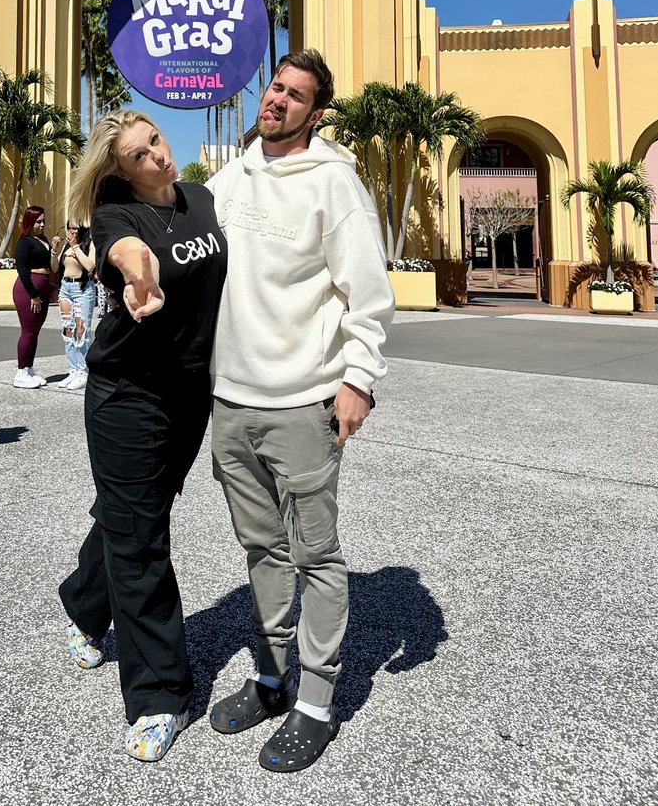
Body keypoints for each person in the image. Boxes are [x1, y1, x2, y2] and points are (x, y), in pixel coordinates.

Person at [206, 49, 391, 774]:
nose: (278, 100)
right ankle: (276, 675)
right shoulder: (233, 174)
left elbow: (367, 297)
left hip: (303, 402)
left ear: (317, 112)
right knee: (262, 550)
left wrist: (358, 380)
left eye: (296, 95)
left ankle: (316, 703)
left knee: (315, 554)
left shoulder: (335, 184)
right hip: (231, 401)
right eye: (276, 87)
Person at [57, 109, 226, 764]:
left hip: (189, 394)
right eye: (137, 154)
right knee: (142, 538)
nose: (156, 155)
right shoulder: (115, 219)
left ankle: (82, 601)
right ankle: (160, 694)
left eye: (154, 140)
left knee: (132, 515)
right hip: (127, 394)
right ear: (119, 172)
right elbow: (125, 254)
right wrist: (139, 274)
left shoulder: (205, 199)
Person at [12, 206, 59, 389]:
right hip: (28, 289)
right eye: (38, 221)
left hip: (44, 287)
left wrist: (54, 249)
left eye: (43, 221)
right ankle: (21, 371)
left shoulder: (43, 240)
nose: (41, 225)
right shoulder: (24, 242)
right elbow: (22, 271)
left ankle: (29, 369)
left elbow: (51, 266)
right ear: (29, 222)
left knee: (36, 331)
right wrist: (33, 294)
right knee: (28, 331)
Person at [57, 219, 96, 391]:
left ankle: (83, 372)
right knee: (68, 330)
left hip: (82, 290)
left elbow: (90, 266)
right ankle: (73, 370)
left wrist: (75, 247)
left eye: (75, 228)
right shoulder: (67, 246)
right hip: (65, 288)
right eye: (69, 228)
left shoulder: (89, 244)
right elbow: (54, 267)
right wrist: (54, 251)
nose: (71, 231)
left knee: (81, 331)